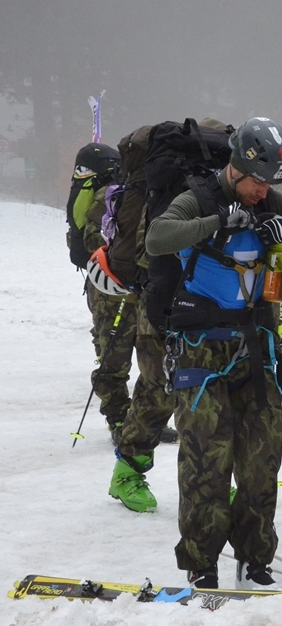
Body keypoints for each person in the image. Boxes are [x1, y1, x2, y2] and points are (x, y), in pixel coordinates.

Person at [146, 117, 282, 590]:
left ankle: (255, 556)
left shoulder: (270, 199)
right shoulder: (200, 196)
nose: (263, 192)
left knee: (260, 462)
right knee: (206, 463)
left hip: (256, 347)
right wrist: (217, 223)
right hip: (201, 348)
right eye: (258, 183)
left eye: (273, 184)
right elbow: (157, 238)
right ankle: (201, 561)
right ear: (236, 167)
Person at [74, 143, 139, 441]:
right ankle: (117, 418)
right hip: (108, 289)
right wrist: (119, 249)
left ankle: (141, 419)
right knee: (113, 357)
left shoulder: (151, 196)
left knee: (152, 359)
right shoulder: (110, 195)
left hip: (139, 289)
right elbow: (90, 238)